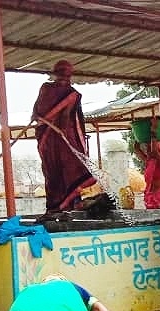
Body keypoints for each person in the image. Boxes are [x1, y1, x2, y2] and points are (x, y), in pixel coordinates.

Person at [32, 60, 100, 215]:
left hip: (47, 139)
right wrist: (66, 136)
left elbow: (36, 114)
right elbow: (63, 120)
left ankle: (60, 205)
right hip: (60, 138)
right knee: (69, 169)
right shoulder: (71, 94)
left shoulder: (47, 89)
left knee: (55, 172)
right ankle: (67, 203)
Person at [133, 140, 160, 209]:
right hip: (150, 197)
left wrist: (153, 132)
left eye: (149, 146)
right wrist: (138, 137)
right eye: (147, 146)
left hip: (159, 197)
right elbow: (136, 149)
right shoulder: (149, 161)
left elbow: (154, 151)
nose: (147, 148)